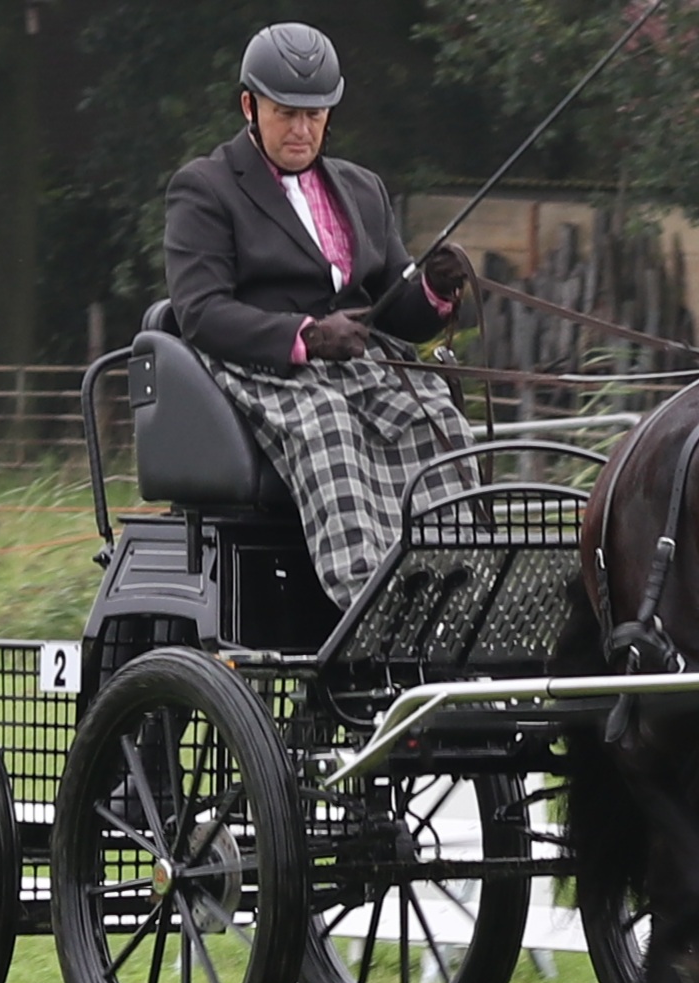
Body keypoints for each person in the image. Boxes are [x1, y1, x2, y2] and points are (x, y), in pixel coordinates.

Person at [164, 21, 475, 610]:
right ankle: (368, 598)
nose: (302, 130)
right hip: (260, 365)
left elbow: (396, 312)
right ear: (249, 106)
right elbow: (200, 312)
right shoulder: (205, 189)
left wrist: (433, 291)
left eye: (315, 114)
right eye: (286, 114)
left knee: (433, 418)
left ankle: (452, 581)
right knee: (328, 423)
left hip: (356, 363)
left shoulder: (362, 189)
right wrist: (305, 336)